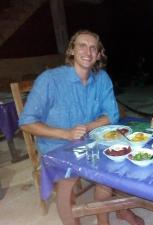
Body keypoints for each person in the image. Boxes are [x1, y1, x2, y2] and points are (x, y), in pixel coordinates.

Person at [19, 30, 144, 225]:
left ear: (99, 54)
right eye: (82, 46)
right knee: (66, 185)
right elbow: (26, 122)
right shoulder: (50, 80)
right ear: (71, 50)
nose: (88, 51)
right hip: (57, 147)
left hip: (92, 140)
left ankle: (116, 212)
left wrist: (87, 127)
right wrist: (65, 134)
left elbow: (112, 114)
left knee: (120, 159)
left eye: (93, 47)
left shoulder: (101, 78)